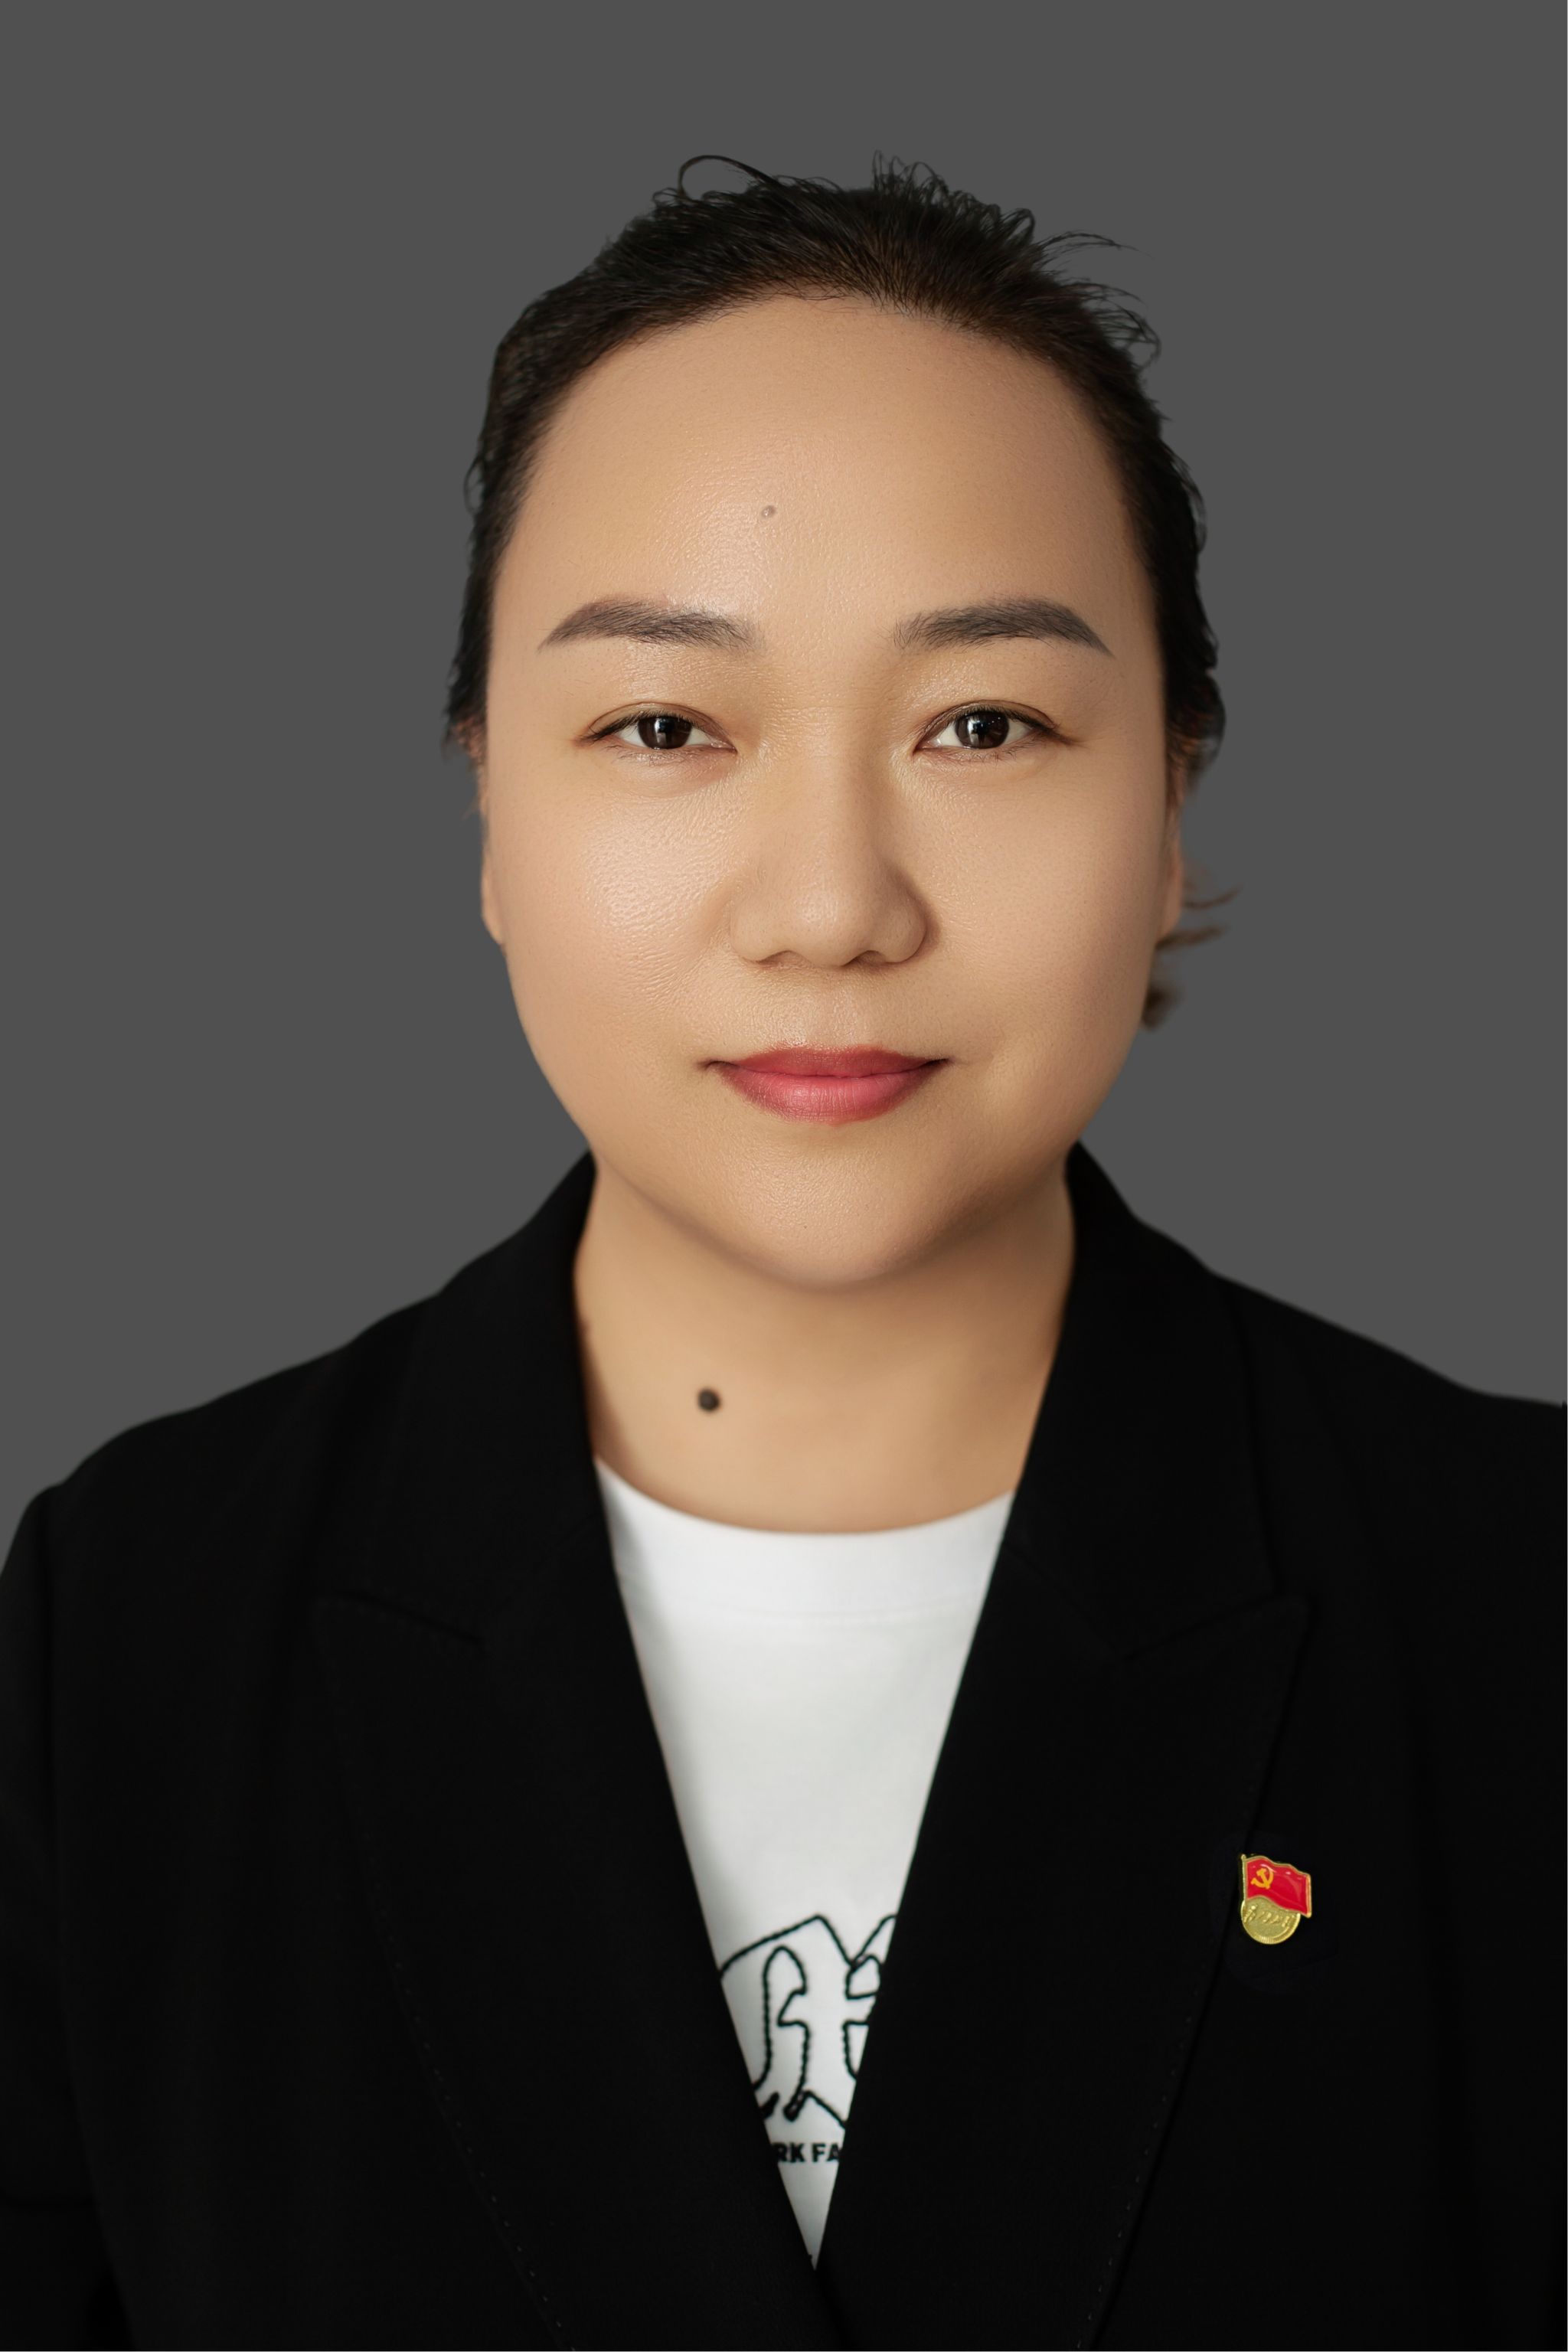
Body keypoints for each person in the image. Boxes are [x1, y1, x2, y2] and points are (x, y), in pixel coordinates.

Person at [1, 155, 1560, 2352]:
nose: (832, 904)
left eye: (984, 726)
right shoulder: (132, 1629)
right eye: (665, 727)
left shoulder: (1521, 1609)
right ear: (488, 801)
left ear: (1172, 800)